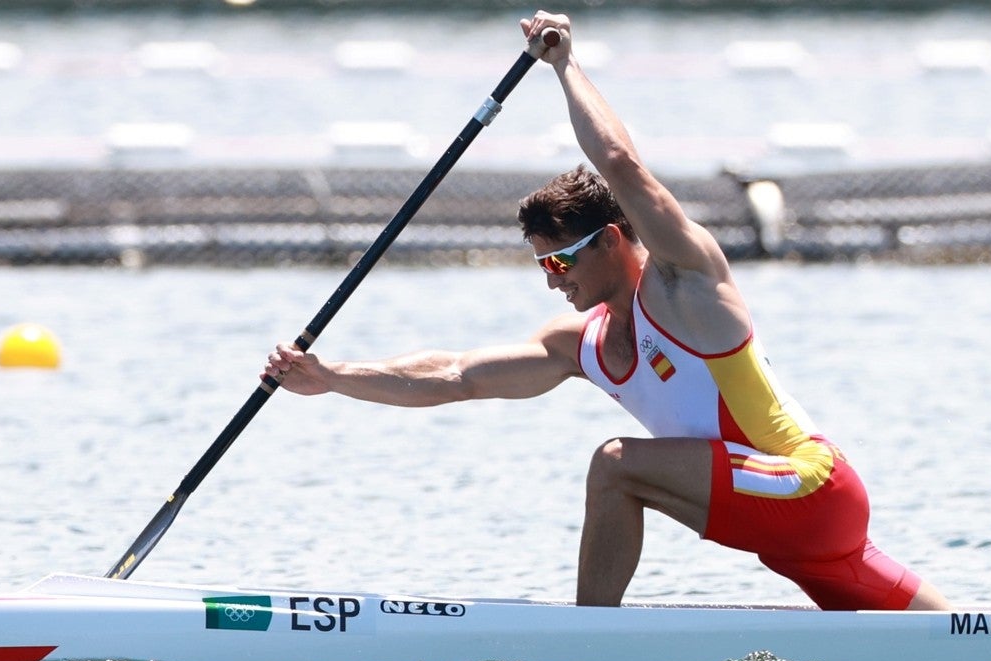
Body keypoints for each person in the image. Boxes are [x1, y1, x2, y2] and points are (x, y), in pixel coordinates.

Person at [263, 10, 951, 611]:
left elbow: (622, 164)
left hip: (809, 485)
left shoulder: (685, 286)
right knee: (956, 641)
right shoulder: (579, 344)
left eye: (561, 260)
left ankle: (591, 644)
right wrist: (332, 376)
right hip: (791, 533)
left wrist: (565, 65)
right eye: (542, 265)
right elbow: (455, 375)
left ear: (615, 239)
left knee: (616, 464)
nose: (552, 280)